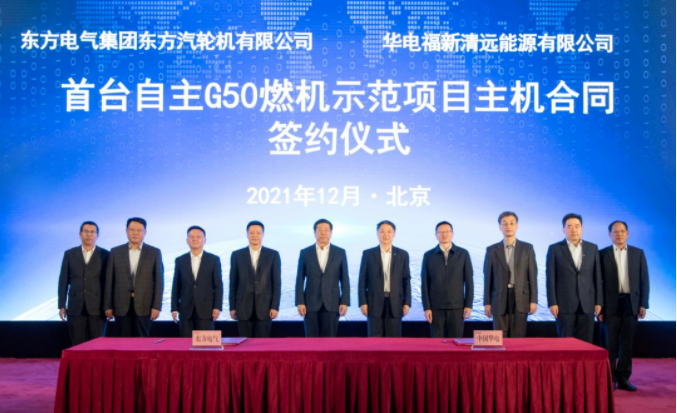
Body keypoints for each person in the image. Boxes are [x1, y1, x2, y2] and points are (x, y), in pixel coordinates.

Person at [599, 220, 650, 391]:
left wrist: (643, 304)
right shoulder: (602, 254)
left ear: (627, 233)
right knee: (609, 343)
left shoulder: (638, 253)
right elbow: (598, 282)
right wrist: (599, 306)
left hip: (631, 303)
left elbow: (644, 281)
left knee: (627, 344)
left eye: (622, 231)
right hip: (609, 304)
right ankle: (610, 378)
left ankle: (624, 378)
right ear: (610, 235)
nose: (619, 234)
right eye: (615, 231)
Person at [546, 213, 602, 343]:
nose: (574, 229)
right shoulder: (554, 249)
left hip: (587, 304)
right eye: (569, 226)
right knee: (565, 343)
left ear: (582, 228)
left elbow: (597, 277)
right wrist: (552, 302)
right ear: (563, 230)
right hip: (564, 304)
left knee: (586, 344)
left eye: (577, 226)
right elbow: (550, 278)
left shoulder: (592, 248)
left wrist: (598, 301)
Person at [104, 217, 164, 337]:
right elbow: (109, 281)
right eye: (132, 229)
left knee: (142, 340)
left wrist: (156, 306)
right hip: (120, 305)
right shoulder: (115, 252)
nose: (135, 233)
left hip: (145, 305)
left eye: (139, 230)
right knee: (123, 340)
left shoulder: (154, 252)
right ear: (126, 231)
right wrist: (108, 306)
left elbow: (159, 282)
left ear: (145, 232)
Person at [483, 212, 538, 337]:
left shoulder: (527, 248)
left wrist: (533, 300)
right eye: (505, 223)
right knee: (499, 337)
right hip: (499, 298)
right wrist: (487, 302)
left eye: (512, 223)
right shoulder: (492, 250)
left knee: (519, 336)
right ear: (500, 227)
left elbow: (532, 276)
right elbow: (488, 278)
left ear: (516, 226)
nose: (508, 226)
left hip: (521, 298)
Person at [57, 221, 110, 346]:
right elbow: (63, 281)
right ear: (80, 234)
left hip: (98, 307)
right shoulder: (70, 254)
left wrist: (108, 306)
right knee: (77, 345)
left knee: (97, 345)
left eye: (92, 232)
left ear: (97, 236)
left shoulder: (106, 255)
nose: (89, 234)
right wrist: (62, 305)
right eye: (86, 231)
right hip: (75, 307)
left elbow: (109, 283)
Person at [295, 219, 350, 337]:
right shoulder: (305, 252)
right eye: (320, 230)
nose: (323, 233)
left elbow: (345, 279)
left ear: (331, 233)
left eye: (326, 230)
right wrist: (300, 302)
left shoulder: (340, 252)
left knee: (329, 340)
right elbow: (299, 279)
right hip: (310, 304)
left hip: (332, 303)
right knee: (311, 340)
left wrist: (344, 301)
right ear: (314, 233)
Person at [358, 220, 411, 337]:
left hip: (395, 303)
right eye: (382, 231)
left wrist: (407, 303)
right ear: (377, 233)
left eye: (389, 232)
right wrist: (363, 302)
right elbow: (362, 280)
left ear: (394, 234)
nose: (385, 234)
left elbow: (406, 280)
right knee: (374, 340)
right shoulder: (368, 254)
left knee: (393, 340)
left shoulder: (402, 254)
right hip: (373, 303)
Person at [421, 221, 473, 338]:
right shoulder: (428, 255)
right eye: (441, 232)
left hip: (457, 307)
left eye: (447, 231)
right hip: (436, 307)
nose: (444, 234)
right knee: (436, 343)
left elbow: (469, 282)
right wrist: (427, 307)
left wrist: (468, 305)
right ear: (436, 235)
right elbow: (424, 283)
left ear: (452, 234)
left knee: (456, 342)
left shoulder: (463, 254)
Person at [229, 221, 281, 338]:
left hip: (265, 307)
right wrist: (232, 307)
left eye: (258, 233)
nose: (255, 235)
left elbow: (276, 283)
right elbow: (233, 283)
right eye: (251, 232)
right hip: (242, 306)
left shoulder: (273, 255)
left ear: (263, 234)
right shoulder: (237, 255)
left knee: (262, 344)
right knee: (244, 343)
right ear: (247, 234)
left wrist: (274, 306)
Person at [171, 226, 223, 337]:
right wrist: (174, 308)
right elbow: (176, 286)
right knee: (185, 344)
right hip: (186, 311)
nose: (195, 239)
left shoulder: (213, 259)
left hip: (207, 311)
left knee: (206, 344)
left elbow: (218, 285)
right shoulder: (180, 260)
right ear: (187, 240)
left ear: (205, 240)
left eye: (198, 237)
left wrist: (217, 306)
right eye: (192, 237)